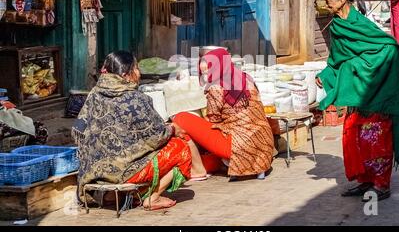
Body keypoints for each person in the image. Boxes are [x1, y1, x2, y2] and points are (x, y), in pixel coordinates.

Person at [316, 0, 399, 202]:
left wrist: (358, 67)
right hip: (358, 92)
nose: (325, 3)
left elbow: (389, 48)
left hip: (377, 93)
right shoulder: (338, 24)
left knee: (376, 137)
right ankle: (365, 180)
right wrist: (325, 75)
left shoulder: (359, 23)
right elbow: (338, 58)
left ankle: (381, 185)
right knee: (355, 136)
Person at [72, 51, 193, 211]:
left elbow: (77, 130)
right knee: (181, 148)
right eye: (136, 68)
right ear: (126, 75)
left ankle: (113, 196)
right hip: (124, 172)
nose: (139, 72)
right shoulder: (135, 98)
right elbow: (157, 136)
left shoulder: (94, 94)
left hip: (94, 173)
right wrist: (172, 128)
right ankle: (153, 197)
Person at [173, 48, 275, 181]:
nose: (205, 76)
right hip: (264, 143)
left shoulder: (216, 87)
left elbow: (213, 119)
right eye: (203, 73)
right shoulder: (246, 78)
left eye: (207, 71)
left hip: (238, 144)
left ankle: (198, 170)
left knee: (181, 118)